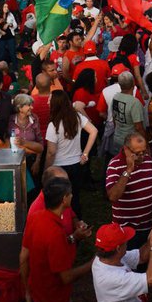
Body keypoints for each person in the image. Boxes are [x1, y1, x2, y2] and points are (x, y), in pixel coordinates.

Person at [19, 177, 92, 302]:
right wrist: (92, 264)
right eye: (70, 194)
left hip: (39, 293)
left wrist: (27, 291)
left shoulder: (35, 218)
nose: (72, 196)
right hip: (55, 301)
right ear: (64, 199)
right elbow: (65, 277)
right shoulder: (55, 234)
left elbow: (24, 257)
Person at [46, 89, 98, 218]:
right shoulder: (77, 117)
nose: (47, 101)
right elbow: (94, 131)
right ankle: (77, 221)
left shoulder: (53, 125)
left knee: (59, 200)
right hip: (76, 164)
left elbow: (51, 152)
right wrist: (85, 154)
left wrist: (47, 169)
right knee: (74, 197)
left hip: (59, 168)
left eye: (50, 99)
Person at [105, 132, 152, 247]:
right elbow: (113, 197)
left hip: (147, 226)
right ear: (126, 149)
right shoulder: (114, 165)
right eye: (138, 153)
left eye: (144, 152)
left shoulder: (148, 160)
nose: (142, 157)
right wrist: (128, 170)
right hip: (126, 230)